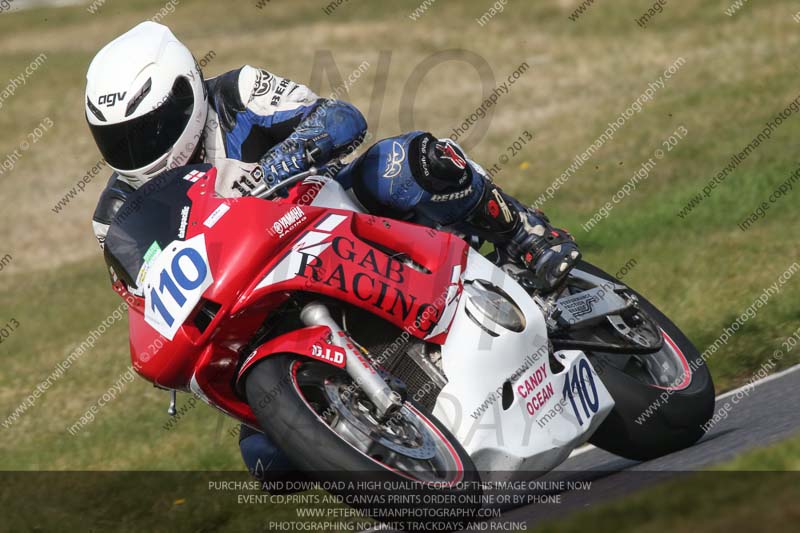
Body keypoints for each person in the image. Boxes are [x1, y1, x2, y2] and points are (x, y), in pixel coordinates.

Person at [87, 22, 580, 482]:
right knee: (267, 458)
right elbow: (146, 299)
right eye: (119, 141)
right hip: (250, 297)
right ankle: (382, 442)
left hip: (329, 214)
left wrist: (275, 166)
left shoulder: (236, 94)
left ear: (186, 93)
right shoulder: (114, 217)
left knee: (407, 163)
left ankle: (524, 235)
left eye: (149, 129)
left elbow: (338, 117)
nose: (138, 150)